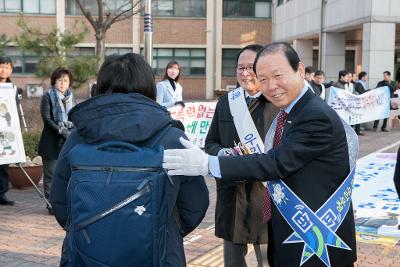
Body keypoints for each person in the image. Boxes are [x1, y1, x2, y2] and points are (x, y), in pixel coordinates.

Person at [163, 42, 358, 267]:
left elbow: (276, 162)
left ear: (301, 70)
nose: (271, 85)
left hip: (315, 239)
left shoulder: (313, 115)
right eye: (263, 78)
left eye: (277, 75)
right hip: (296, 231)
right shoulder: (291, 110)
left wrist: (208, 164)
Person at [50, 53, 209, 267]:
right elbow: (195, 203)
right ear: (149, 86)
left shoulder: (79, 136)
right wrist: (164, 230)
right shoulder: (172, 136)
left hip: (86, 254)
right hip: (160, 255)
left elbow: (60, 198)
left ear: (102, 85)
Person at [205, 44, 278, 267]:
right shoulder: (227, 102)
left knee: (268, 257)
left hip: (264, 192)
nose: (245, 73)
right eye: (240, 68)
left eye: (251, 68)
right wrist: (223, 153)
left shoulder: (277, 104)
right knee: (232, 259)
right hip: (231, 192)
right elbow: (210, 143)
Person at [38, 67, 76, 214]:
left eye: (65, 80)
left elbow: (73, 117)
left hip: (66, 141)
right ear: (54, 81)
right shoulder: (47, 96)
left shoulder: (71, 98)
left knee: (64, 175)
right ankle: (50, 204)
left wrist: (70, 132)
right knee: (50, 175)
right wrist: (61, 130)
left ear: (69, 83)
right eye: (59, 80)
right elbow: (47, 118)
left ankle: (63, 203)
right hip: (51, 141)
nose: (62, 83)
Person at [0, 56, 16, 205]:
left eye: (7, 67)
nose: (3, 69)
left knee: (4, 163)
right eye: (1, 66)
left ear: (11, 70)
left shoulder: (13, 88)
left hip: (6, 130)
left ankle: (2, 194)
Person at [353, 71, 369, 136]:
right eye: (365, 77)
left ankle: (357, 130)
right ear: (362, 77)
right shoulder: (359, 83)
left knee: (358, 116)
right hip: (358, 102)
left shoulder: (360, 83)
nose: (366, 78)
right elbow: (361, 92)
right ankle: (357, 130)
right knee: (358, 116)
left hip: (360, 102)